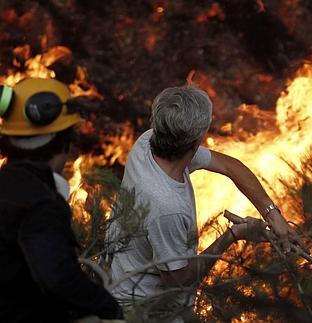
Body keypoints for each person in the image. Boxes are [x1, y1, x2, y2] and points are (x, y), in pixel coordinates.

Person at [106, 86, 296, 319]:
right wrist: (233, 235)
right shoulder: (166, 208)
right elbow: (178, 279)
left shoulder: (149, 142)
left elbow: (230, 166)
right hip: (148, 312)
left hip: (128, 280)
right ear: (195, 141)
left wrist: (272, 212)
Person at [0, 78, 124, 322]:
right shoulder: (40, 204)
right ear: (66, 142)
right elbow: (57, 276)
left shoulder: (7, 185)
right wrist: (108, 307)